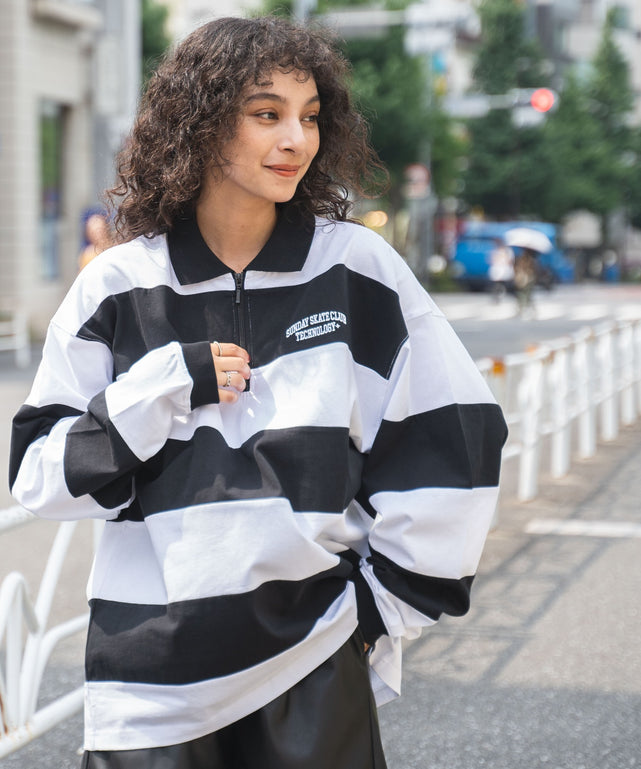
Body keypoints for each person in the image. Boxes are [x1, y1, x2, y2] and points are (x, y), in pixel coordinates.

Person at [9, 16, 507, 769]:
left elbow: (455, 434)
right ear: (201, 123)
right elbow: (39, 476)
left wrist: (378, 609)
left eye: (310, 116)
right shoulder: (119, 284)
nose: (296, 139)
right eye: (266, 114)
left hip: (312, 662)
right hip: (149, 687)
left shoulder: (355, 269)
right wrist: (162, 387)